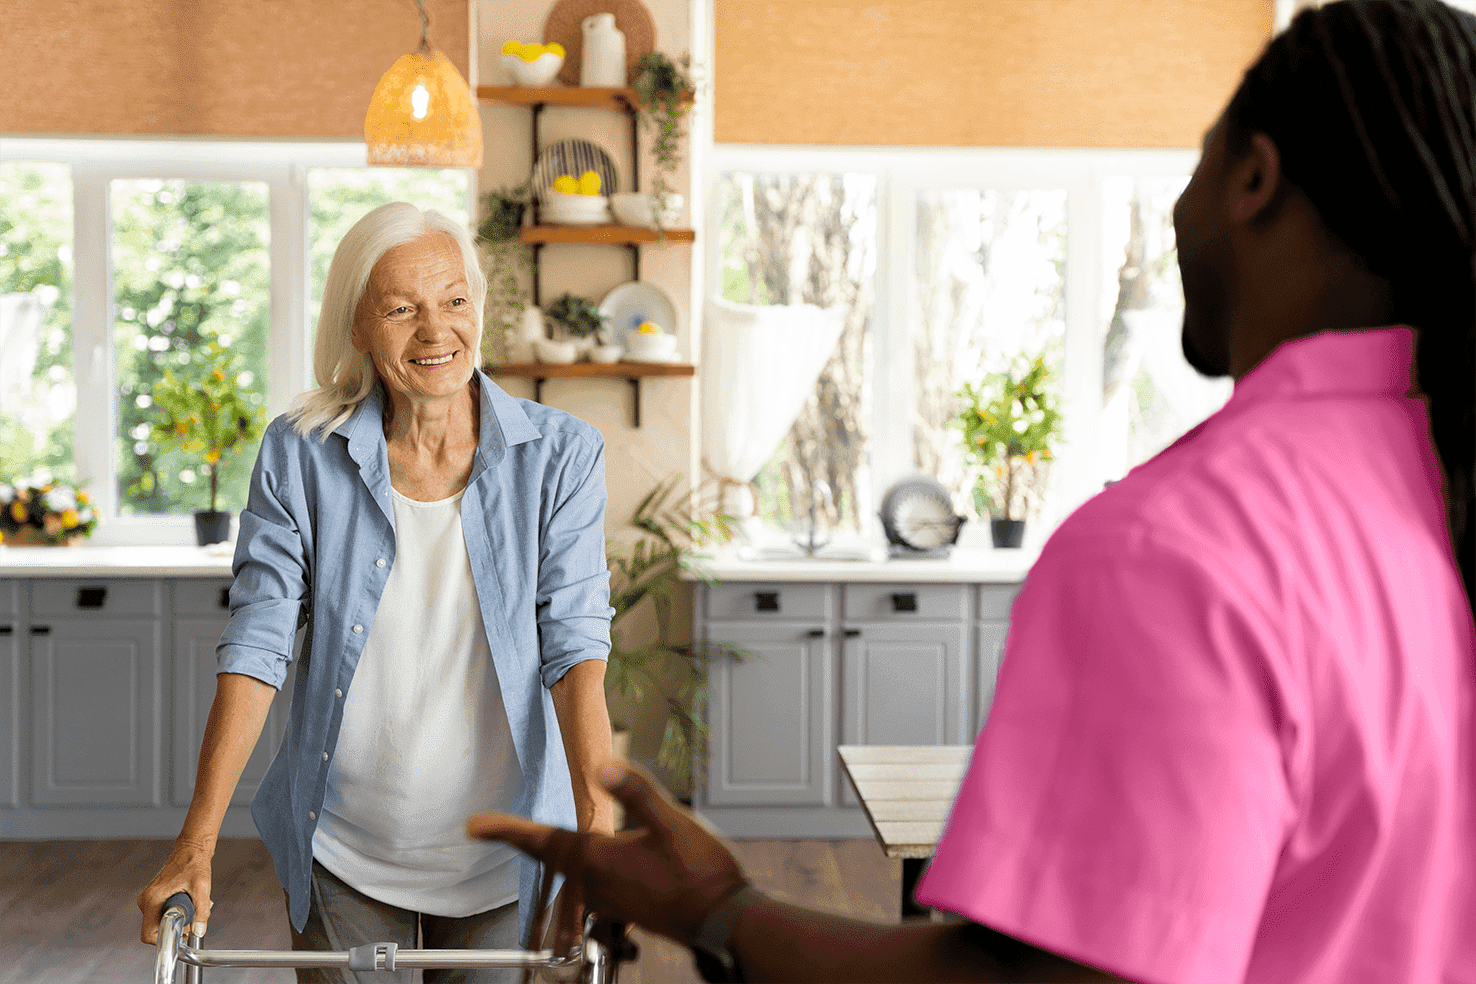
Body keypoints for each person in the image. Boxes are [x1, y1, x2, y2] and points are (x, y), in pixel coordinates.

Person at [468, 2, 1476, 981]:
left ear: (1255, 176)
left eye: (1198, 159)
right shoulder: (1433, 490)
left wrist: (720, 912)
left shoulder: (1183, 546)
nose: (1179, 210)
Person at [137, 202, 617, 983]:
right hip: (343, 855)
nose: (435, 331)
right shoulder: (300, 454)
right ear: (357, 327)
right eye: (401, 309)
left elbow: (575, 644)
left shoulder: (561, 457)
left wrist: (596, 826)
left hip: (504, 862)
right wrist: (195, 843)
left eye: (454, 300)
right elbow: (257, 646)